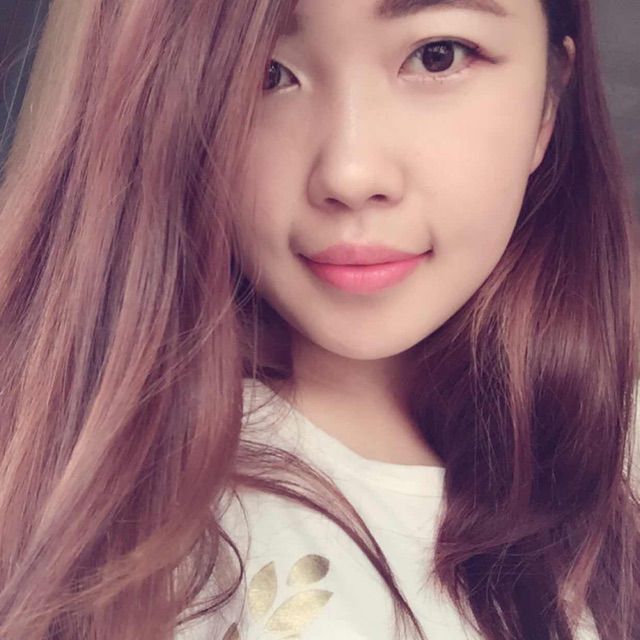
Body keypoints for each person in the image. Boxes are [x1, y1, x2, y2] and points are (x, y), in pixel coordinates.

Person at [0, 0, 638, 638]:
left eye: (436, 56)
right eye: (263, 73)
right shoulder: (121, 517)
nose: (350, 174)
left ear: (548, 101)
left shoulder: (614, 454)